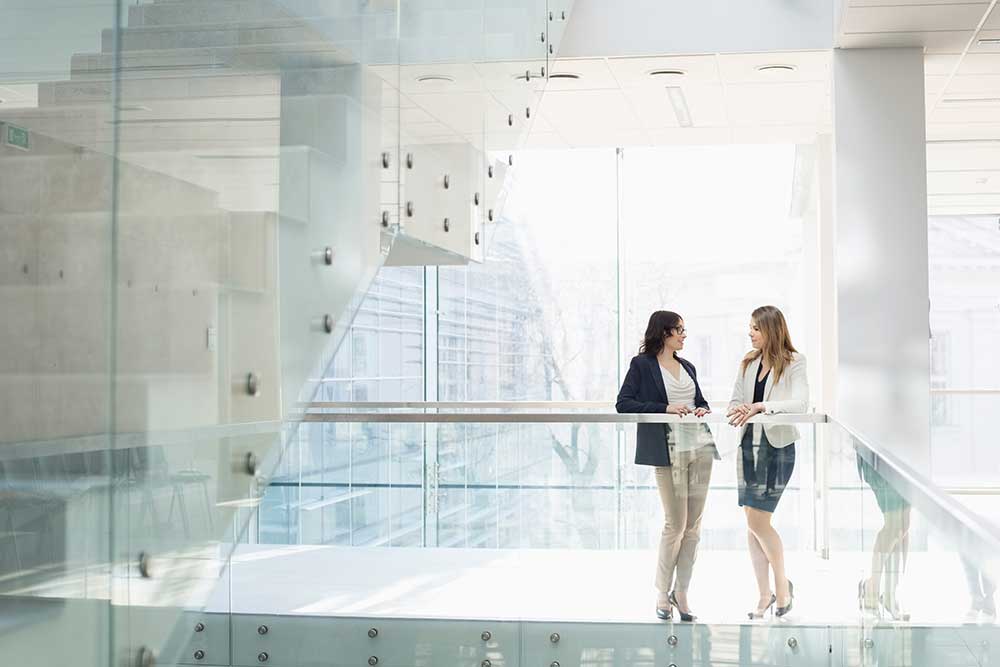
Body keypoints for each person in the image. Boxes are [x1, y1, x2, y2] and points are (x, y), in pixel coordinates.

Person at [616, 310, 718, 621]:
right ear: (664, 333)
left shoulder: (687, 366)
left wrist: (701, 409)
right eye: (680, 330)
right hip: (668, 449)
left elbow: (700, 400)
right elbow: (624, 403)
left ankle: (682, 591)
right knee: (676, 523)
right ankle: (662, 591)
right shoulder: (642, 365)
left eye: (684, 330)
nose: (684, 335)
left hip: (699, 447)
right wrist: (664, 408)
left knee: (693, 527)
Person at [726, 305, 808, 619]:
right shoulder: (748, 362)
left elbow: (801, 403)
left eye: (755, 329)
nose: (750, 333)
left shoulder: (794, 362)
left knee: (758, 522)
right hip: (748, 446)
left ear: (771, 330)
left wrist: (761, 406)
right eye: (750, 328)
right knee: (752, 524)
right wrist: (743, 408)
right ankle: (764, 595)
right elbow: (735, 400)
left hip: (778, 446)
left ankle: (782, 587)